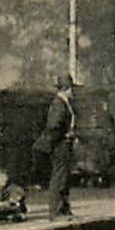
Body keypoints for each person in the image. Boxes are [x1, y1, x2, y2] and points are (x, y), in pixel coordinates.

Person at [36, 73, 78, 220]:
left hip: (63, 145)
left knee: (64, 177)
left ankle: (64, 208)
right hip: (60, 145)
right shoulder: (59, 103)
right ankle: (56, 211)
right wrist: (64, 135)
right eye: (72, 88)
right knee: (59, 178)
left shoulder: (64, 103)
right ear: (67, 88)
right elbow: (53, 125)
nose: (74, 92)